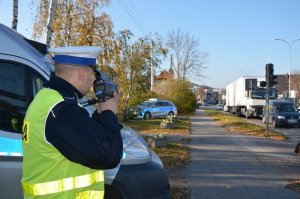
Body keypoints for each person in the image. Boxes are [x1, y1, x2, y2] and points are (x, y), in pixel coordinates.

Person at [21, 46, 123, 199]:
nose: (92, 80)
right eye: (93, 74)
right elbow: (108, 155)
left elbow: (82, 138)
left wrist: (100, 113)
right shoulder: (62, 109)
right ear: (83, 73)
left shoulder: (49, 99)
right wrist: (109, 114)